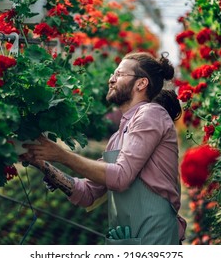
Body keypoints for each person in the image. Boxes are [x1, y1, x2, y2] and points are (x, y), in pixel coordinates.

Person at [21, 51, 186, 245]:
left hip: (154, 236)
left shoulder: (151, 114)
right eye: (112, 74)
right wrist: (42, 162)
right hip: (130, 237)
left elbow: (120, 176)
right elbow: (87, 193)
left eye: (119, 74)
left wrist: (62, 155)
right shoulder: (117, 137)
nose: (111, 79)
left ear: (141, 83)